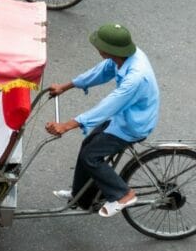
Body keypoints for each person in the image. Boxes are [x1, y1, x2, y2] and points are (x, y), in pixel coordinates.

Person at [45, 24, 160, 217]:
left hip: (133, 124)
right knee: (87, 144)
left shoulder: (136, 78)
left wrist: (66, 126)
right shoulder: (122, 57)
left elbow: (108, 106)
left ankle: (124, 194)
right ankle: (81, 197)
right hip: (123, 117)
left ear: (110, 50)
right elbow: (100, 72)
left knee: (91, 156)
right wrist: (65, 87)